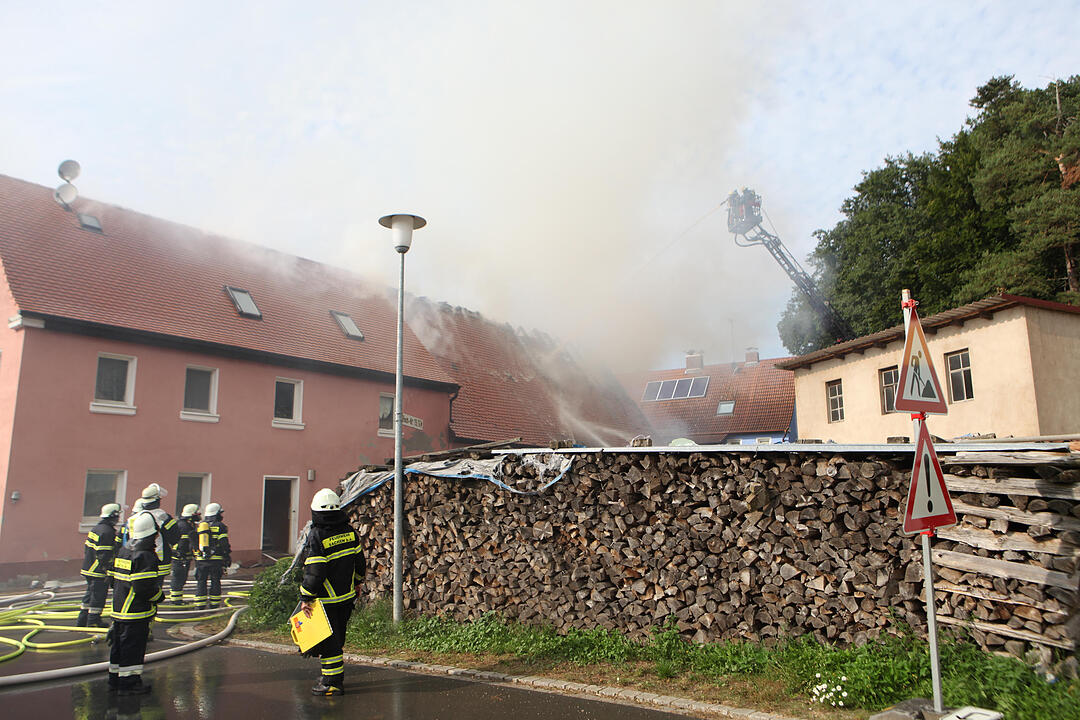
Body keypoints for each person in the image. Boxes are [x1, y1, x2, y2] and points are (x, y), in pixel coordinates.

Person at [300, 488, 366, 696]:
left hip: (326, 600)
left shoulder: (317, 535)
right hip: (346, 598)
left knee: (328, 644)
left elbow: (315, 573)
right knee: (337, 639)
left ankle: (332, 683)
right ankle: (331, 677)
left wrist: (306, 597)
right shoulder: (349, 531)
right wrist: (357, 582)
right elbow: (360, 563)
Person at [108, 512, 163, 695]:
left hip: (119, 609)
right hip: (135, 612)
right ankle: (130, 684)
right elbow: (144, 588)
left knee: (119, 646)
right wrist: (159, 597)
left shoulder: (125, 550)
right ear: (151, 533)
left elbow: (112, 579)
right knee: (133, 648)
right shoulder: (145, 556)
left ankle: (115, 680)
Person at [77, 503, 121, 627]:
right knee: (98, 597)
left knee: (89, 595)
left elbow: (87, 549)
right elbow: (104, 555)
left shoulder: (97, 528)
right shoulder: (107, 532)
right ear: (113, 516)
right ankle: (93, 621)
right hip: (98, 571)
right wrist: (107, 570)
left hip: (88, 568)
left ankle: (82, 620)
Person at [139, 483, 180, 580]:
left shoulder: (135, 517)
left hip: (138, 559)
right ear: (157, 500)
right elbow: (175, 536)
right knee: (155, 589)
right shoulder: (163, 517)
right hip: (158, 559)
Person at [195, 502, 230, 608]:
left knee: (201, 581)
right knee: (215, 581)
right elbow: (224, 543)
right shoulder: (220, 526)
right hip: (216, 560)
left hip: (201, 560)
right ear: (217, 514)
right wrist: (227, 555)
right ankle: (214, 605)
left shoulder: (201, 525)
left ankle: (200, 605)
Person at [167, 504, 200, 604]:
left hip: (183, 557)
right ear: (191, 515)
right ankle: (176, 601)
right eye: (197, 514)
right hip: (180, 558)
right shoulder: (184, 526)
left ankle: (177, 599)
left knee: (181, 578)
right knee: (178, 578)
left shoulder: (186, 524)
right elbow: (183, 543)